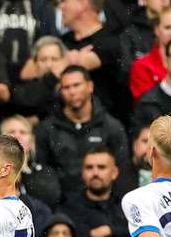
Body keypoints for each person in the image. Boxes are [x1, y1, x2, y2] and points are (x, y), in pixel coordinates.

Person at [34, 65, 129, 196]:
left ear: (90, 86)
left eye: (76, 85)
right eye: (66, 87)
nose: (72, 92)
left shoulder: (111, 127)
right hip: (62, 205)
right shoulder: (46, 129)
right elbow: (42, 171)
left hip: (102, 202)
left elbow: (122, 168)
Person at [58, 147, 133, 237]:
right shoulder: (69, 207)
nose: (95, 173)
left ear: (114, 172)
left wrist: (111, 231)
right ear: (82, 172)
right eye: (89, 168)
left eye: (101, 167)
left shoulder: (127, 205)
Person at [58, 0, 123, 114]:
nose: (61, 7)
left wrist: (58, 61)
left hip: (105, 125)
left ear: (83, 3)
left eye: (65, 1)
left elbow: (82, 64)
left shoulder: (111, 40)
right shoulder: (62, 40)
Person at [0, 114, 61, 210]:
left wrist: (23, 170)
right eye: (11, 132)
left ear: (32, 140)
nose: (17, 136)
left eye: (23, 132)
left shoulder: (45, 172)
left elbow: (50, 200)